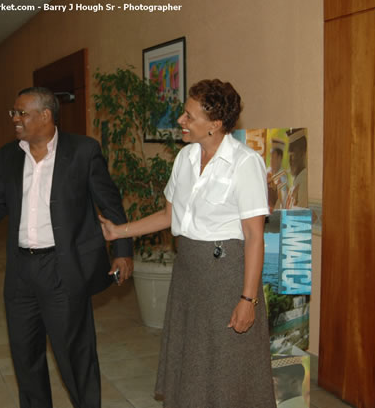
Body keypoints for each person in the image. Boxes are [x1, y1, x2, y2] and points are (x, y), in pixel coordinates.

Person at [100, 79, 276, 407]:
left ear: (215, 125)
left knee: (226, 364)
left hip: (226, 276)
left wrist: (247, 300)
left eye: (189, 116)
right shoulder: (185, 159)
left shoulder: (244, 163)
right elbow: (169, 216)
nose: (181, 121)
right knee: (192, 359)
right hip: (189, 272)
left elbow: (254, 237)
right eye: (184, 113)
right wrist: (118, 232)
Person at [0, 87, 133, 408]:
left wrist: (123, 251)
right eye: (13, 113)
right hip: (20, 271)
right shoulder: (8, 155)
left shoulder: (82, 151)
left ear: (45, 116)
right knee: (25, 355)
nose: (15, 119)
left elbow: (109, 203)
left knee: (74, 353)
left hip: (63, 266)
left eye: (21, 113)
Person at [286, 128, 308, 208]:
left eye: (293, 155)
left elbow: (300, 214)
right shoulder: (297, 179)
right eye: (289, 155)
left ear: (302, 153)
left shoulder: (304, 178)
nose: (290, 160)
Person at [267, 138, 288, 211]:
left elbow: (283, 200)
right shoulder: (268, 172)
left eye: (274, 158)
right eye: (271, 157)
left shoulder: (283, 177)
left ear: (280, 158)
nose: (271, 161)